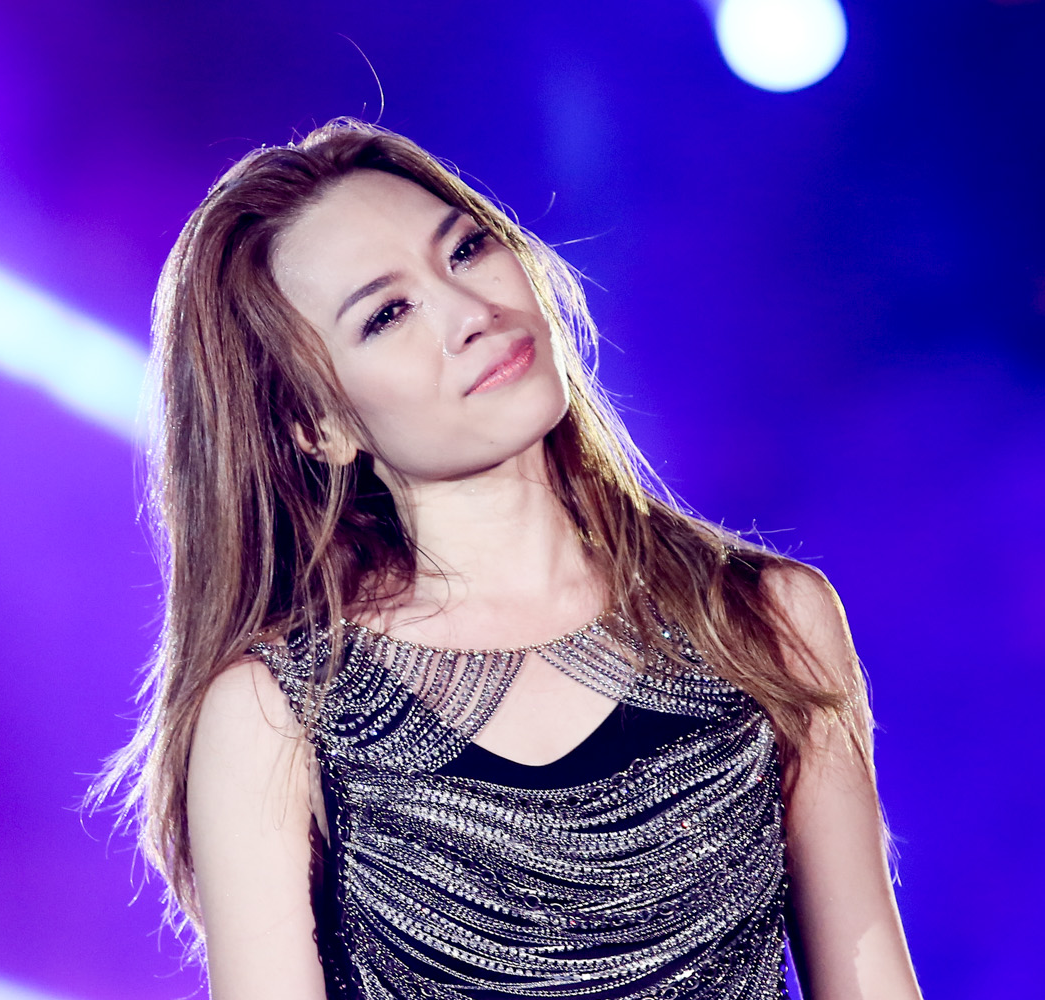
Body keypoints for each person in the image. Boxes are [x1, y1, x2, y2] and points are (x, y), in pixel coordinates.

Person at [98, 119, 923, 999]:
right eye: (387, 314)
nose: (471, 314)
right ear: (317, 425)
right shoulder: (277, 709)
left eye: (466, 251)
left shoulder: (766, 618)